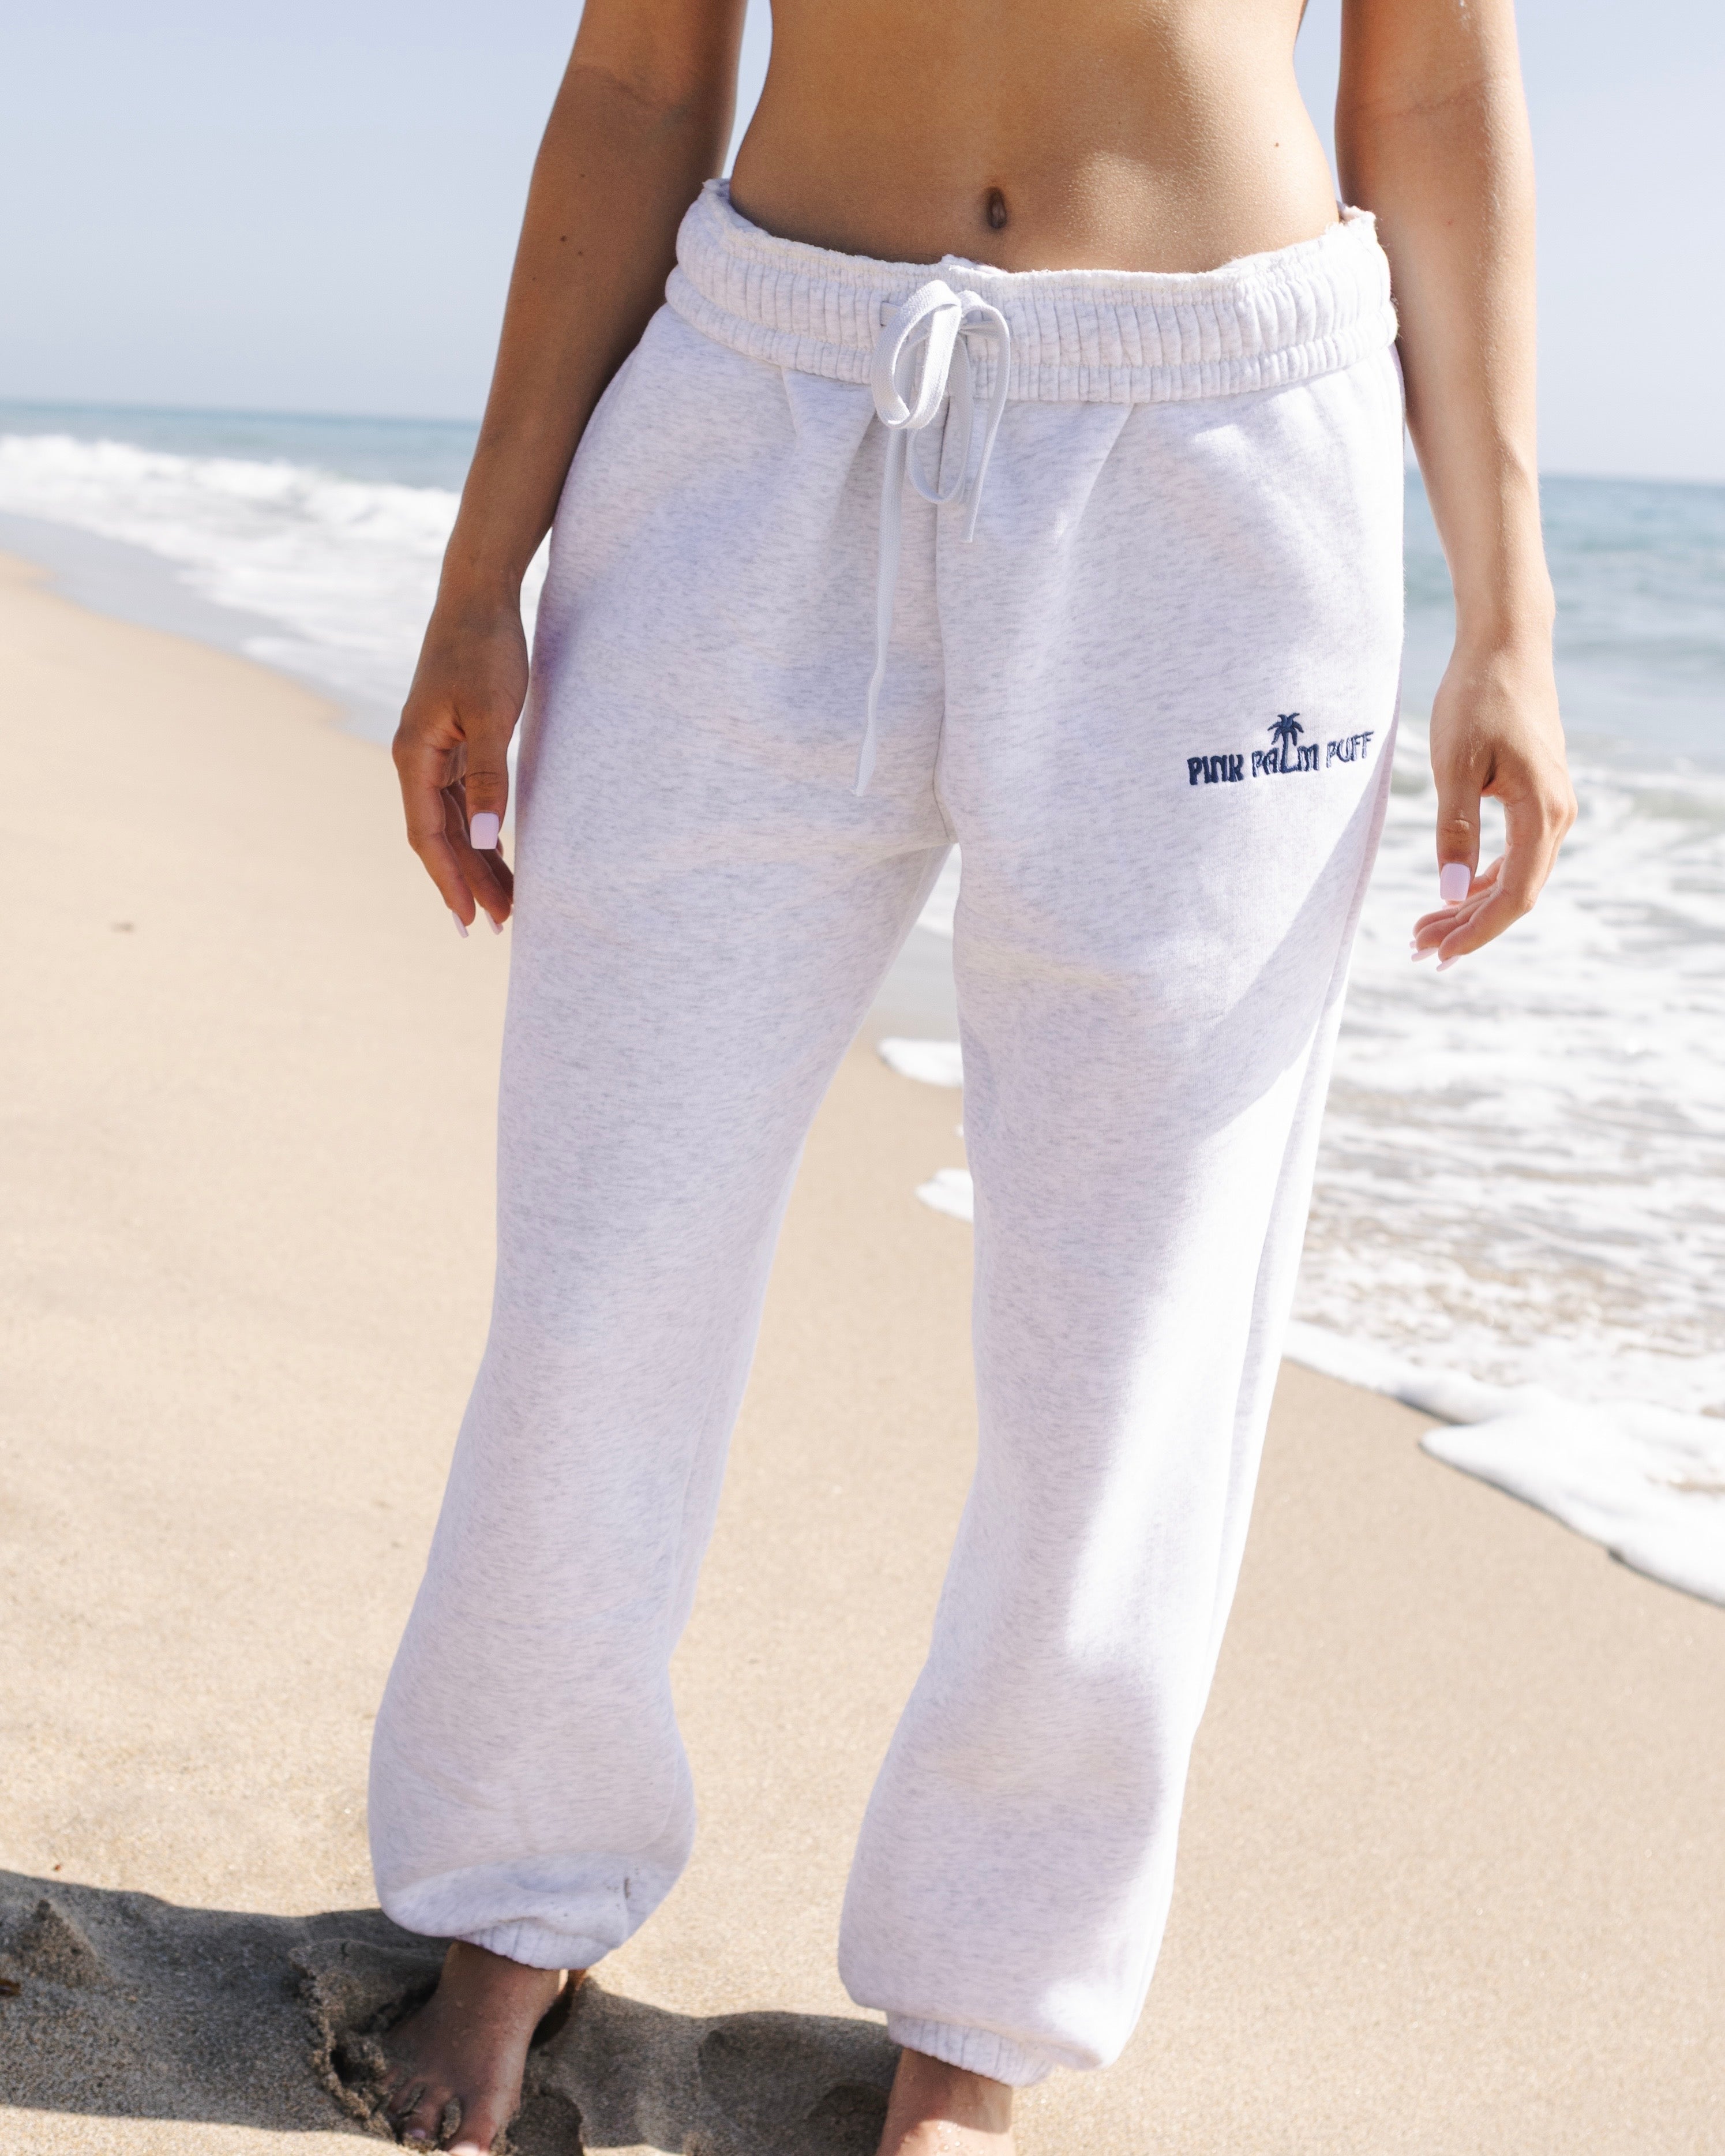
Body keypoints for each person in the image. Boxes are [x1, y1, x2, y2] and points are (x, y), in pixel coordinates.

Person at [369, 0, 1575, 2148]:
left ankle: (983, 2014)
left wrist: (1513, 612)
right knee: (604, 1249)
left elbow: (1436, 83)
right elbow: (643, 73)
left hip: (1220, 466)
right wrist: (485, 571)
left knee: (1131, 1329)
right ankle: (512, 1882)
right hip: (757, 412)